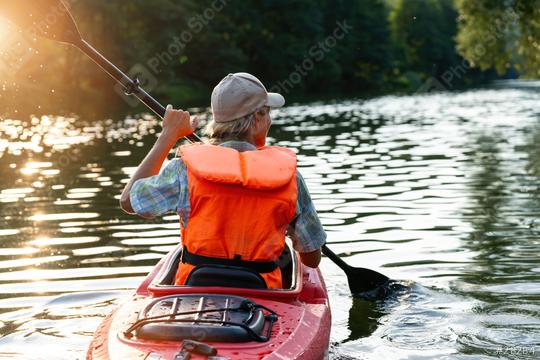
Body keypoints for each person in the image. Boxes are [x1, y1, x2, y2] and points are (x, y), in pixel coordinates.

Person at [120, 72, 326, 289]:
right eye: (267, 114)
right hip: (264, 297)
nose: (270, 120)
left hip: (194, 292)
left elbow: (128, 201)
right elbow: (311, 259)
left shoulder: (184, 170)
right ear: (257, 118)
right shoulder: (290, 178)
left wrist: (168, 135)